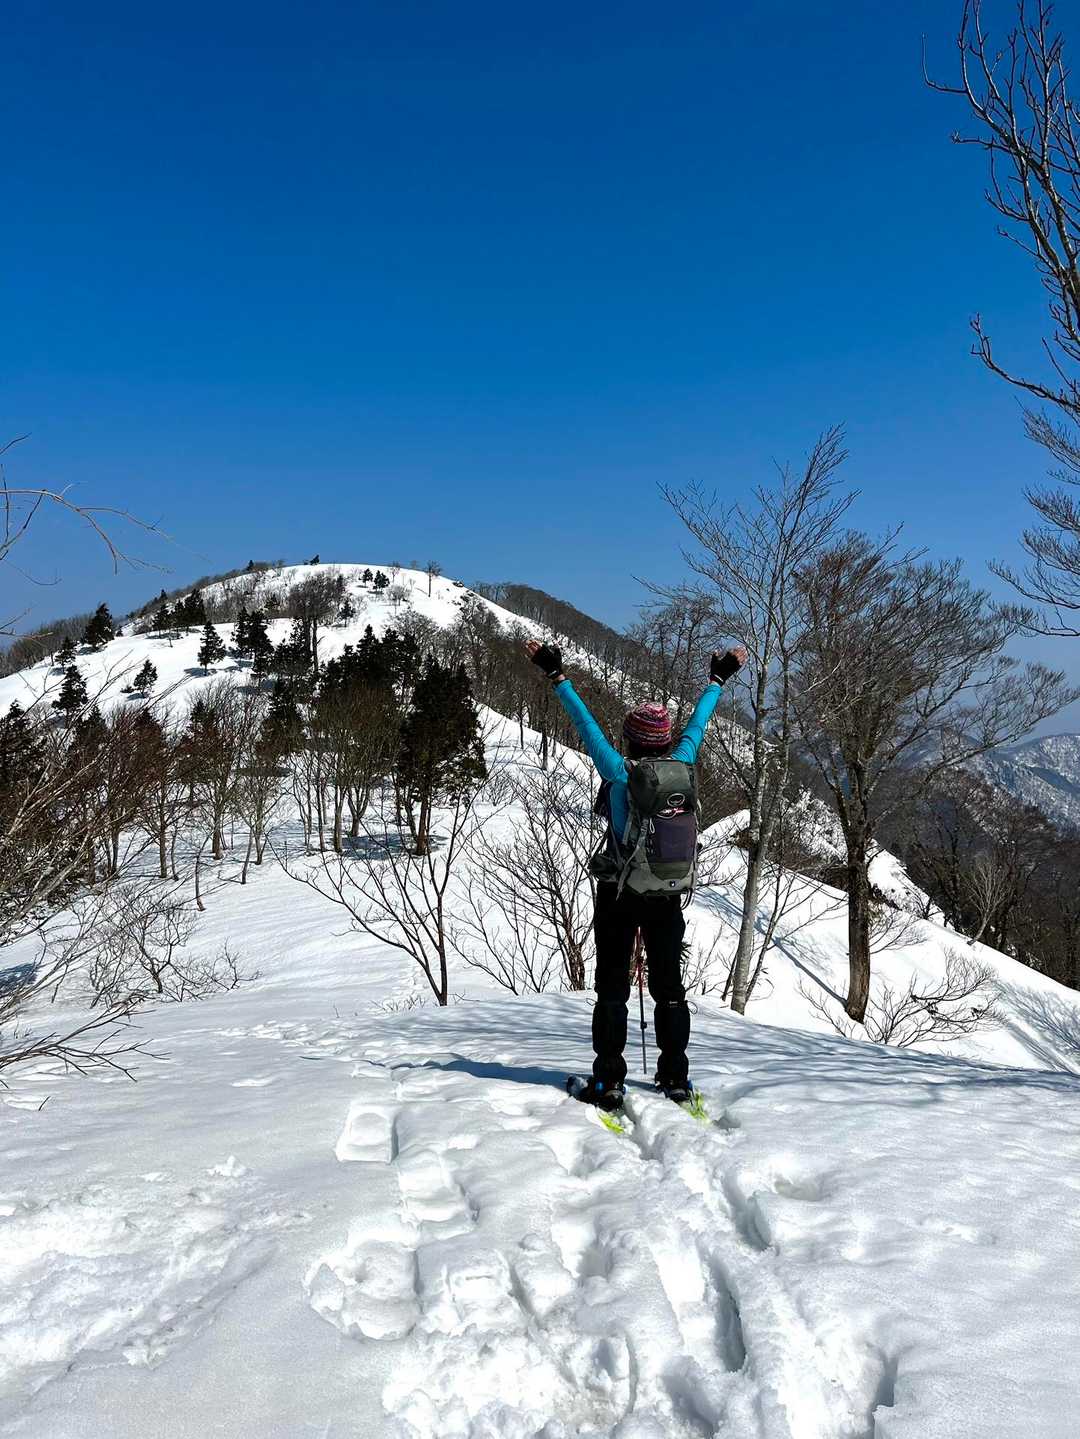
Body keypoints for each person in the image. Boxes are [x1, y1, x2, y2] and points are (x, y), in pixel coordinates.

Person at [526, 637, 747, 1111]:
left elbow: (584, 723)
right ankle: (675, 1078)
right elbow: (699, 723)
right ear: (666, 740)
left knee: (612, 987)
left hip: (618, 892)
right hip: (667, 891)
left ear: (630, 740)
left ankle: (609, 1081)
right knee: (669, 989)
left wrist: (556, 674)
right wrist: (717, 679)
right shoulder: (683, 761)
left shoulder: (617, 771)